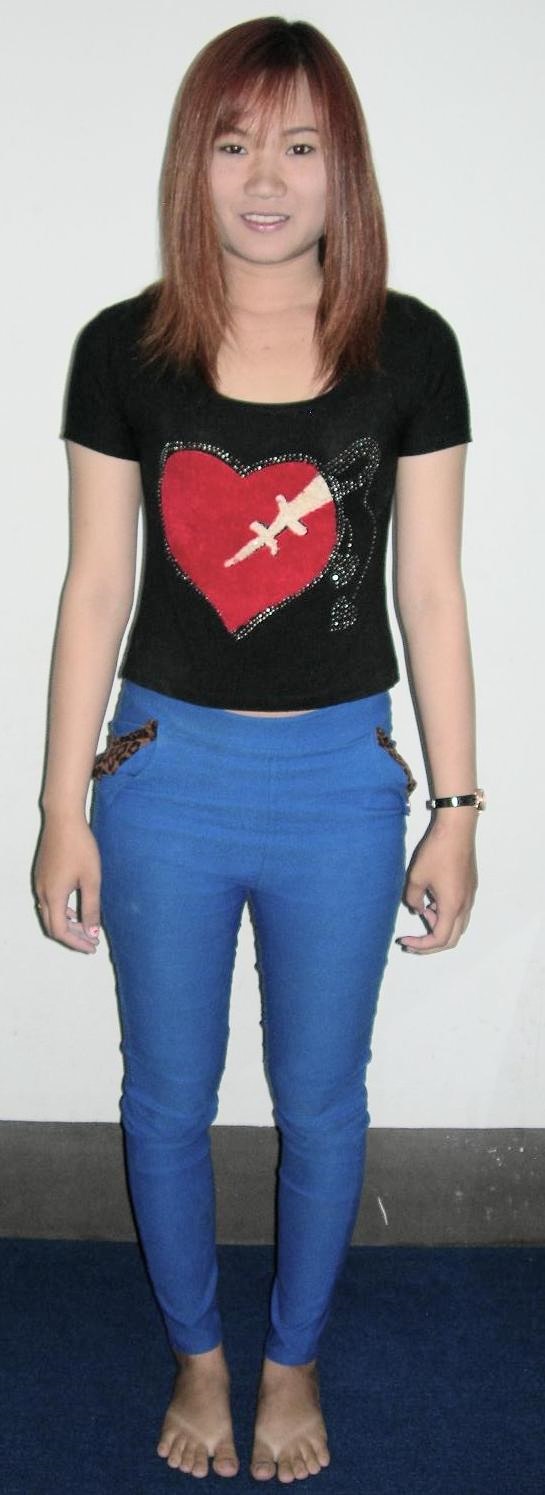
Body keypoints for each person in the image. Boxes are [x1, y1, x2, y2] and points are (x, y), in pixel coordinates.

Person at [32, 15, 485, 1485]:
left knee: (322, 1101)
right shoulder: (124, 352)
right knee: (164, 1095)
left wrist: (457, 806)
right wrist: (60, 808)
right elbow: (94, 589)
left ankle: (291, 1360)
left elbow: (430, 593)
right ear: (194, 163)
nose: (267, 177)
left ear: (343, 167)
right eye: (234, 144)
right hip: (161, 778)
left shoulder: (410, 350)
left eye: (299, 144)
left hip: (340, 788)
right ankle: (198, 1356)